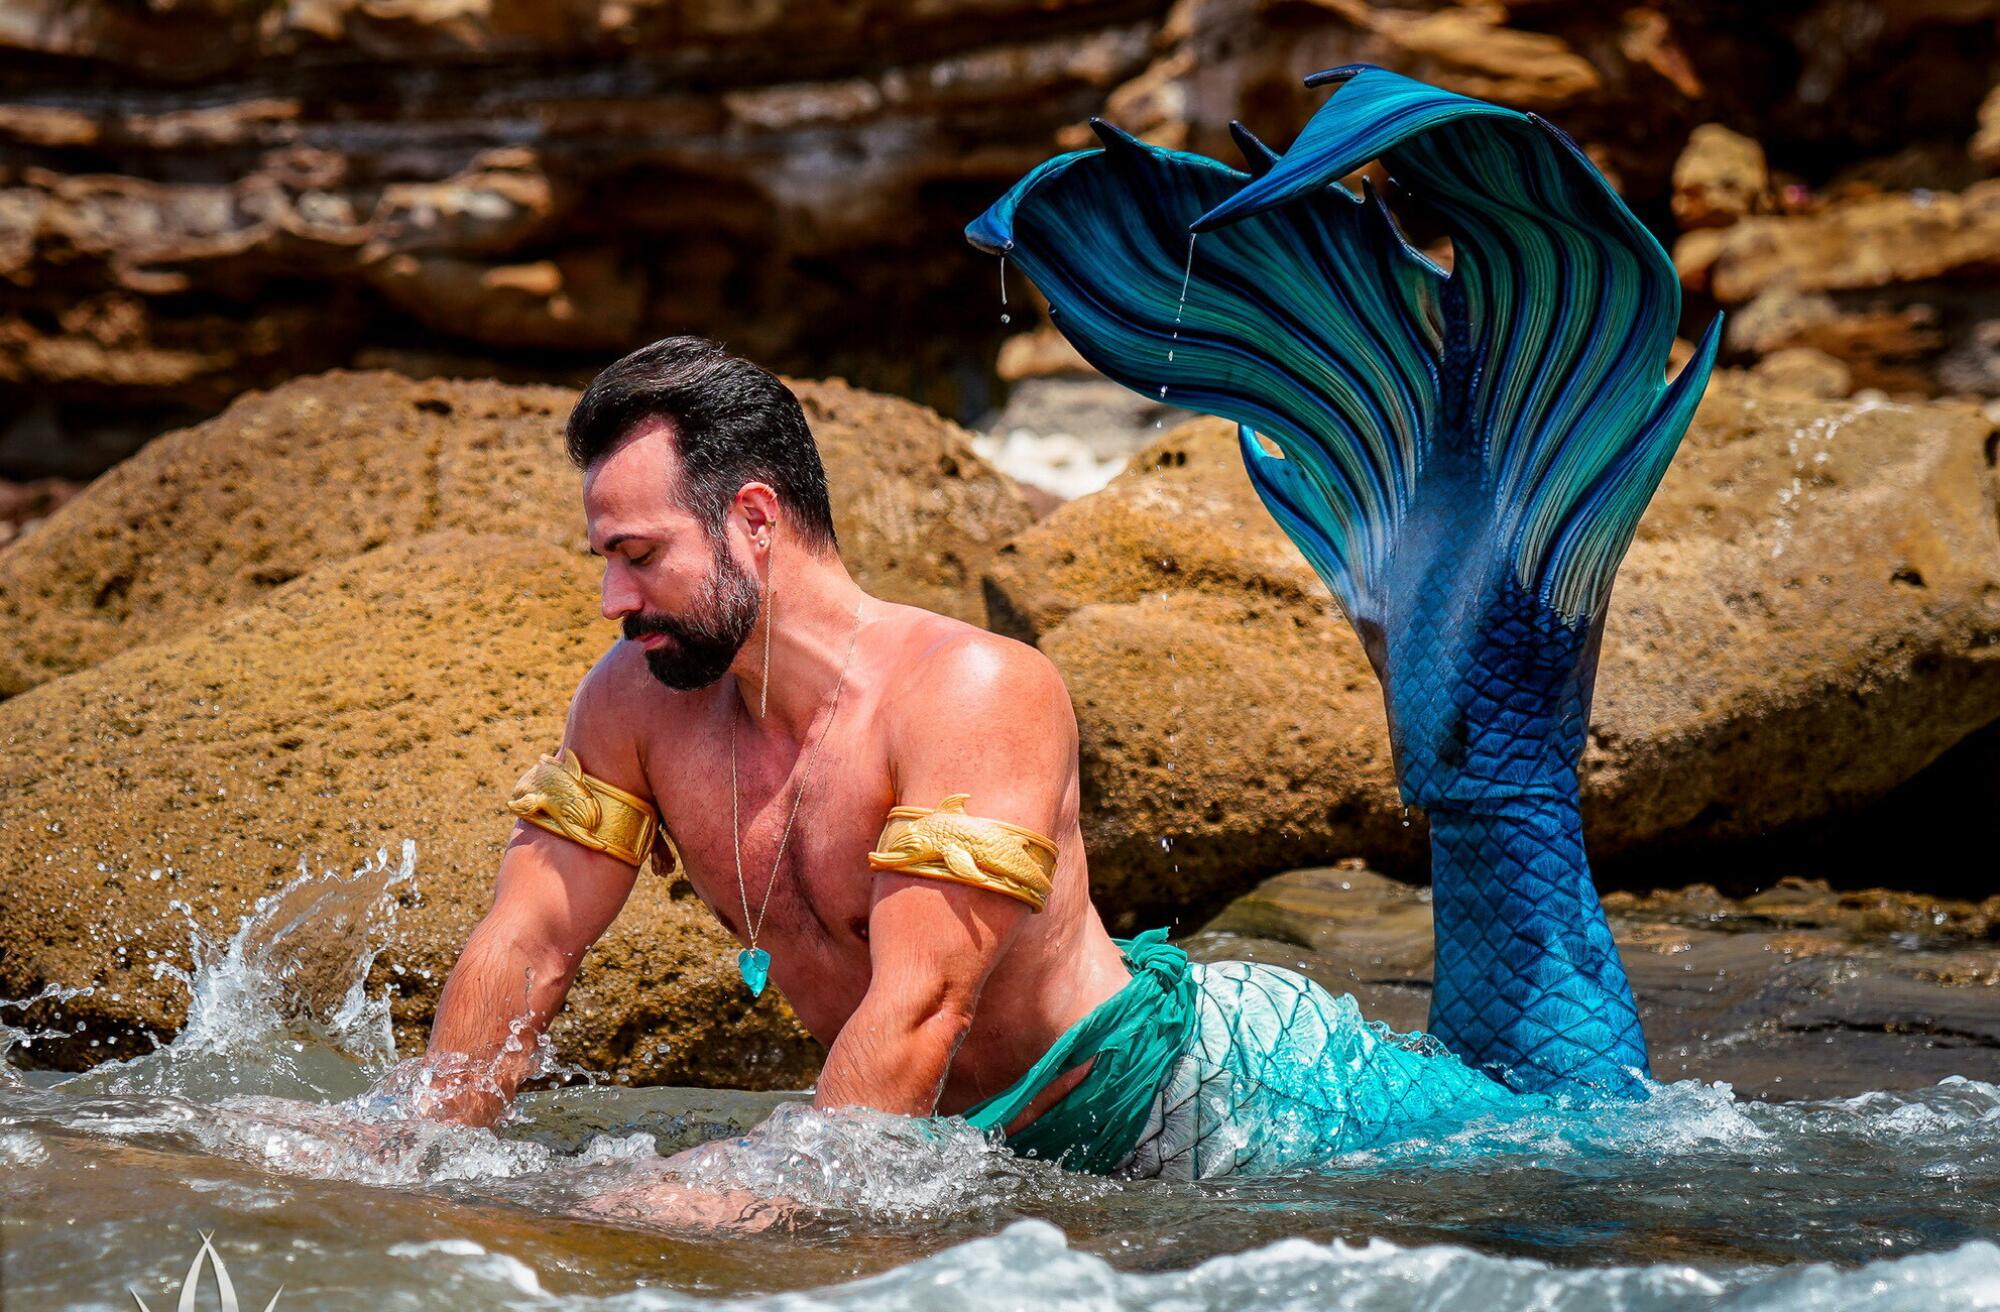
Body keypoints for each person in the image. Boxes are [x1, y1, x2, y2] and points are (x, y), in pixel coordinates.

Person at [410, 335, 1518, 1197]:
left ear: (752, 518)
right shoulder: (632, 702)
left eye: (638, 555)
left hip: (1202, 1109)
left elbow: (926, 998)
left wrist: (768, 1191)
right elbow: (529, 938)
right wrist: (426, 1157)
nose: (612, 599)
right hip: (949, 1148)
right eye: (605, 560)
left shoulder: (971, 690)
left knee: (1551, 1151)